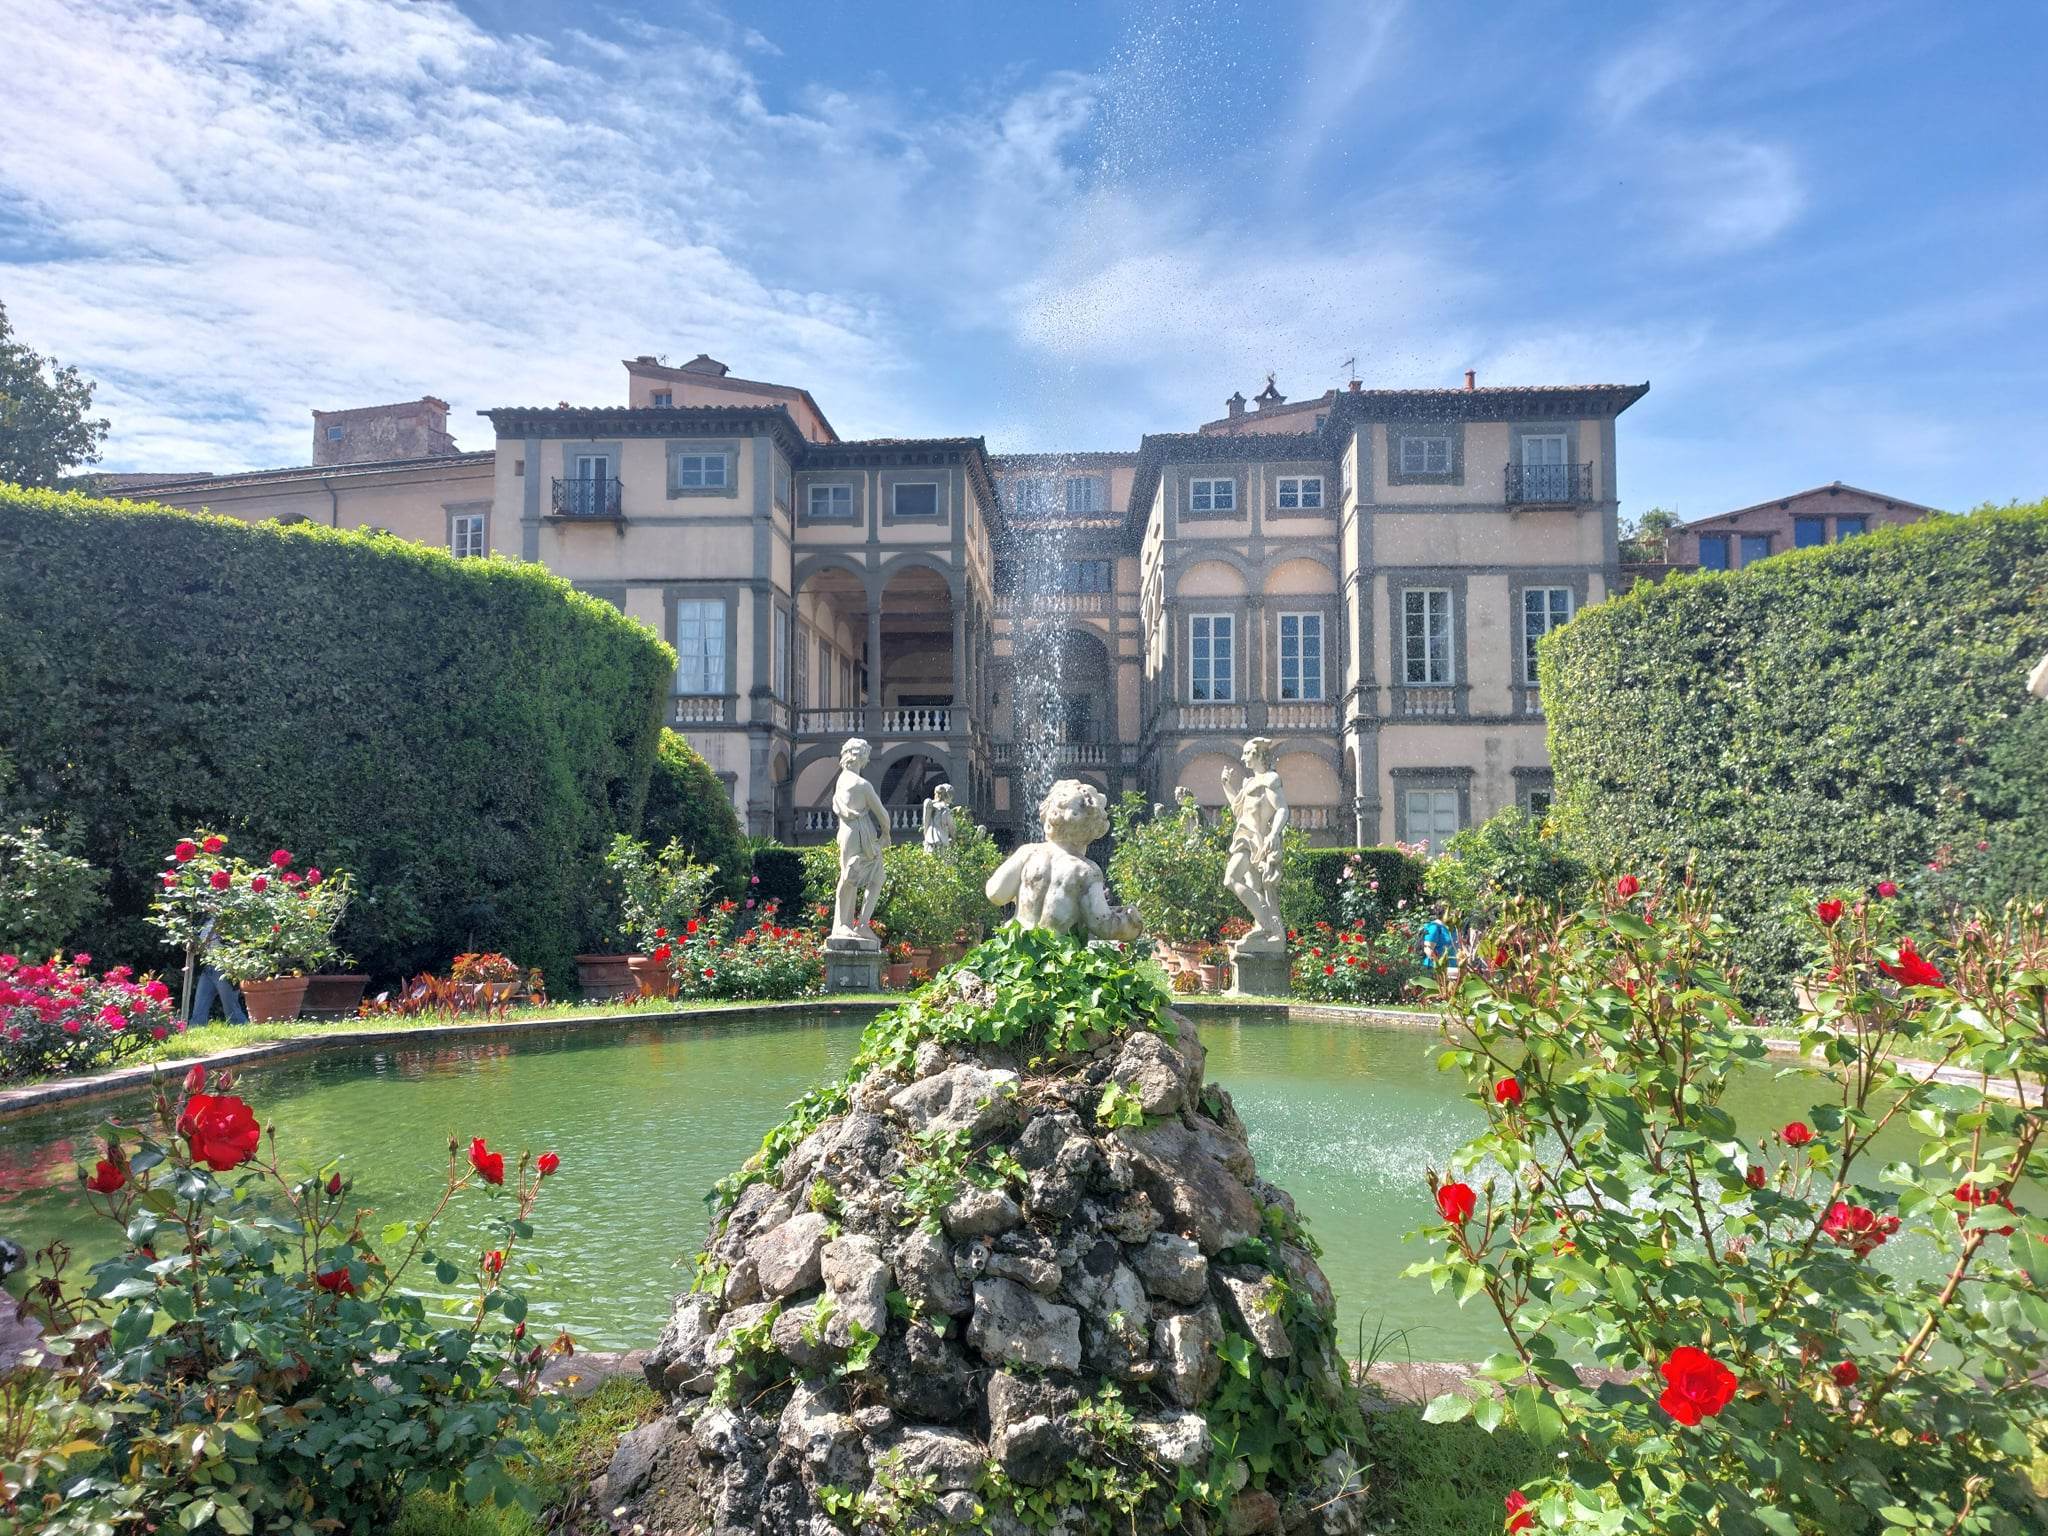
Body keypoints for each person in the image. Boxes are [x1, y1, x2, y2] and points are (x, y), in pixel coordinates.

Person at [1220, 737, 1288, 952]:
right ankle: (1268, 930)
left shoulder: (1270, 780)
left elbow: (1282, 809)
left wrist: (1274, 834)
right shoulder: (1249, 782)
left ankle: (1267, 923)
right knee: (1257, 887)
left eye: (1247, 753)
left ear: (1258, 755)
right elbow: (1238, 809)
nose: (1243, 758)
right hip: (1244, 836)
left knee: (1231, 879)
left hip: (1255, 840)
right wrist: (1226, 785)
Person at [830, 737, 890, 942]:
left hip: (847, 831)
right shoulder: (862, 784)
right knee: (851, 878)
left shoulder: (841, 780)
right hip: (859, 833)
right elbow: (882, 815)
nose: (867, 760)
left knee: (865, 877)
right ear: (861, 757)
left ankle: (857, 924)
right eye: (866, 755)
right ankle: (846, 925)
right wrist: (886, 833)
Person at [188, 918, 247, 1025]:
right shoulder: (205, 921)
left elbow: (241, 945)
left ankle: (243, 1028)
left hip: (225, 968)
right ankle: (195, 1029)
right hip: (208, 968)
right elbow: (199, 946)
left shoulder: (229, 920)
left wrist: (239, 970)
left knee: (231, 1008)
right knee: (200, 1006)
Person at [1419, 906, 1457, 973]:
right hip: (1436, 969)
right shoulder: (1434, 927)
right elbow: (1428, 949)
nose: (1454, 914)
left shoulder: (1450, 928)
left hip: (1451, 969)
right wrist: (1439, 967)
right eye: (1452, 911)